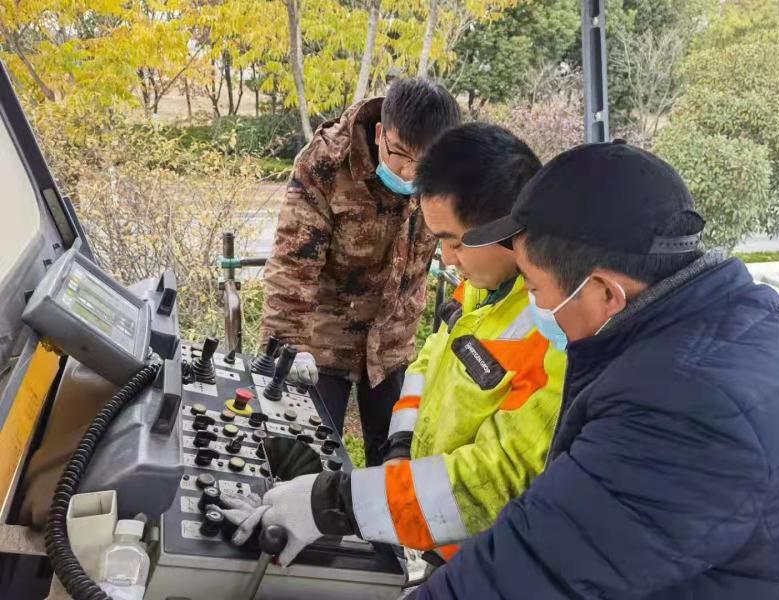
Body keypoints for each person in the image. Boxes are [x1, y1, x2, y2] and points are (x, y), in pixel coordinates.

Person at [409, 140, 779, 600]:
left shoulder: (678, 410)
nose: (537, 305)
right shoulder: (761, 321)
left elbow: (534, 569)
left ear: (605, 294)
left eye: (535, 288)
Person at [215, 123, 567, 566]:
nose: (447, 260)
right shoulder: (481, 286)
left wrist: (335, 503)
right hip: (426, 526)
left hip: (480, 556)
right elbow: (428, 365)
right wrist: (402, 444)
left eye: (454, 243)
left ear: (506, 228)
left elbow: (496, 481)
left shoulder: (555, 333)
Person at [259, 78, 461, 467]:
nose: (408, 172)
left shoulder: (451, 169)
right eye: (399, 154)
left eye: (426, 163)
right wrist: (287, 348)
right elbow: (291, 267)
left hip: (393, 340)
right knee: (305, 458)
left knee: (397, 461)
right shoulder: (326, 163)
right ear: (382, 133)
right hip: (320, 340)